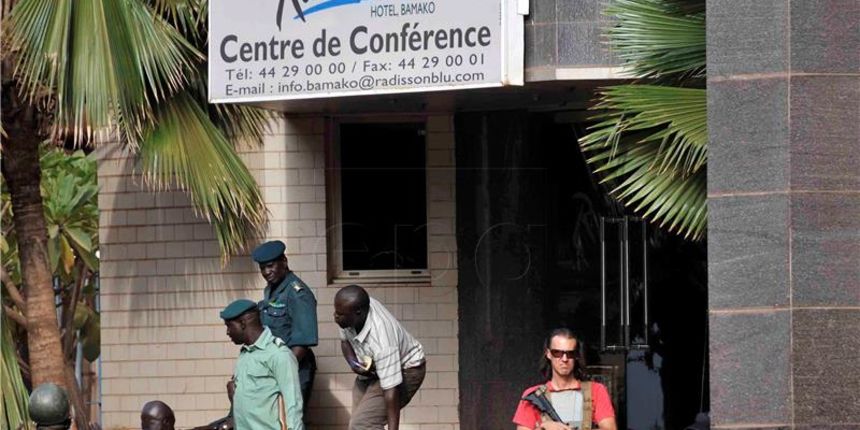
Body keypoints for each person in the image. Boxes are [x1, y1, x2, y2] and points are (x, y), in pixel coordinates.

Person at [334, 285, 426, 430]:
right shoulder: (347, 314)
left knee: (362, 424)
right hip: (373, 369)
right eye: (336, 312)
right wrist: (354, 365)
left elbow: (391, 391)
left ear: (358, 313)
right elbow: (345, 343)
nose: (335, 316)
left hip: (406, 369)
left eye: (340, 314)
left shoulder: (383, 339)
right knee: (357, 424)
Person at [252, 240, 318, 408]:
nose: (266, 272)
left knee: (290, 419)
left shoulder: (298, 293)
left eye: (270, 266)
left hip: (294, 368)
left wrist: (280, 372)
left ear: (284, 262)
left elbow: (301, 344)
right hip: (274, 368)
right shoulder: (272, 289)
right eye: (262, 268)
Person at [220, 299, 304, 430]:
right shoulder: (245, 353)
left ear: (242, 323)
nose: (227, 332)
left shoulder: (278, 354)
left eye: (229, 326)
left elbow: (293, 403)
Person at [512, 328, 617, 430]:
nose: (564, 359)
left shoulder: (596, 390)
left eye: (570, 353)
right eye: (557, 353)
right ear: (548, 354)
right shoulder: (534, 395)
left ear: (576, 356)